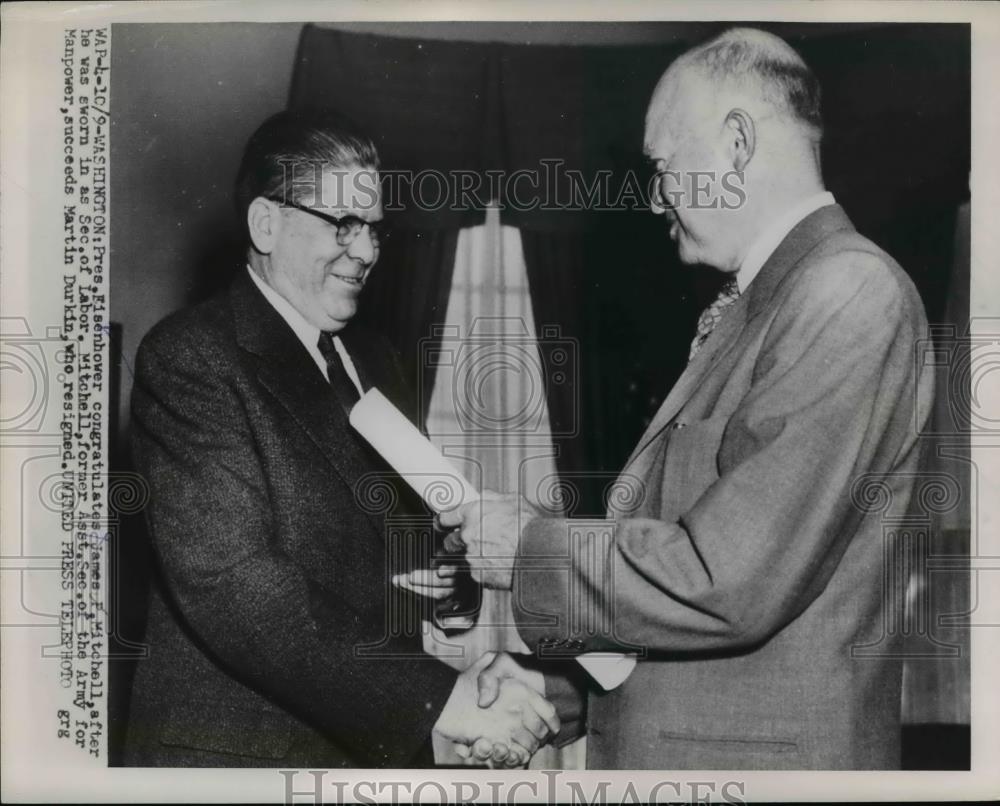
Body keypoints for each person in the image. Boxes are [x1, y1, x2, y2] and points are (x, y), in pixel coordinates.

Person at [439, 28, 934, 769]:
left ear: (736, 144)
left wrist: (527, 548)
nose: (653, 197)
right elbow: (699, 613)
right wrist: (561, 688)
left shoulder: (846, 292)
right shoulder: (765, 305)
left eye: (663, 165)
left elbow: (727, 579)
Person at [124, 108, 560, 767]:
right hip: (244, 762)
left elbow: (392, 542)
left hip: (366, 754)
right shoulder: (191, 358)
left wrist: (449, 582)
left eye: (375, 230)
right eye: (344, 225)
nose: (367, 252)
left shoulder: (376, 359)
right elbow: (235, 584)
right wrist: (441, 702)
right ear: (266, 223)